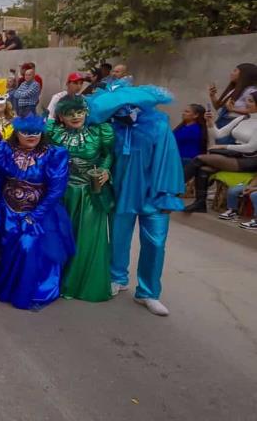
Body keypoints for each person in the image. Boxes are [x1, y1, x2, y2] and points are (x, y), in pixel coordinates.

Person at [87, 79, 185, 316]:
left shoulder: (159, 125)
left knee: (155, 243)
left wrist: (167, 194)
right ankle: (117, 278)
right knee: (118, 239)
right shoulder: (111, 129)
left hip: (153, 194)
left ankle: (149, 292)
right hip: (122, 193)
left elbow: (169, 160)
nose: (122, 111)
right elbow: (103, 158)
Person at [0, 115, 74, 310]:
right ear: (17, 133)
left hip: (38, 213)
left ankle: (28, 291)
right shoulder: (6, 150)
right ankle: (7, 287)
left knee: (28, 247)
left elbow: (56, 191)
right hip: (7, 209)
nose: (32, 136)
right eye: (26, 132)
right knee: (4, 245)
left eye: (36, 132)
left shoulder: (54, 155)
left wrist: (35, 216)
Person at [48, 97, 115, 302]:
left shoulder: (99, 131)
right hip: (63, 193)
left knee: (87, 239)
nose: (76, 116)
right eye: (69, 113)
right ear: (61, 117)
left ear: (86, 113)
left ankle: (81, 285)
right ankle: (58, 283)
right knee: (61, 237)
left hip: (89, 193)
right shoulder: (54, 133)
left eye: (79, 112)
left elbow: (108, 154)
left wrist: (105, 170)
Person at [184, 93, 257, 213]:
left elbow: (251, 148)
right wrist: (210, 123)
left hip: (251, 159)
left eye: (250, 101)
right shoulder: (242, 118)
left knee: (199, 159)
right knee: (203, 169)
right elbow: (219, 134)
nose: (246, 103)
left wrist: (224, 146)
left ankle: (172, 189)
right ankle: (200, 203)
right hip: (236, 154)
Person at [208, 63, 257, 143]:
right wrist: (212, 96)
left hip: (235, 125)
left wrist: (233, 109)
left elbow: (254, 110)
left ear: (244, 75)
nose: (231, 73)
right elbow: (220, 109)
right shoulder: (233, 90)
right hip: (222, 123)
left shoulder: (251, 91)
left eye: (235, 71)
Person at [173, 104, 209, 170]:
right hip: (178, 159)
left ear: (196, 115)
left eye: (187, 112)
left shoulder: (195, 129)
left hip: (186, 160)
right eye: (184, 111)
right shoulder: (182, 127)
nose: (183, 113)